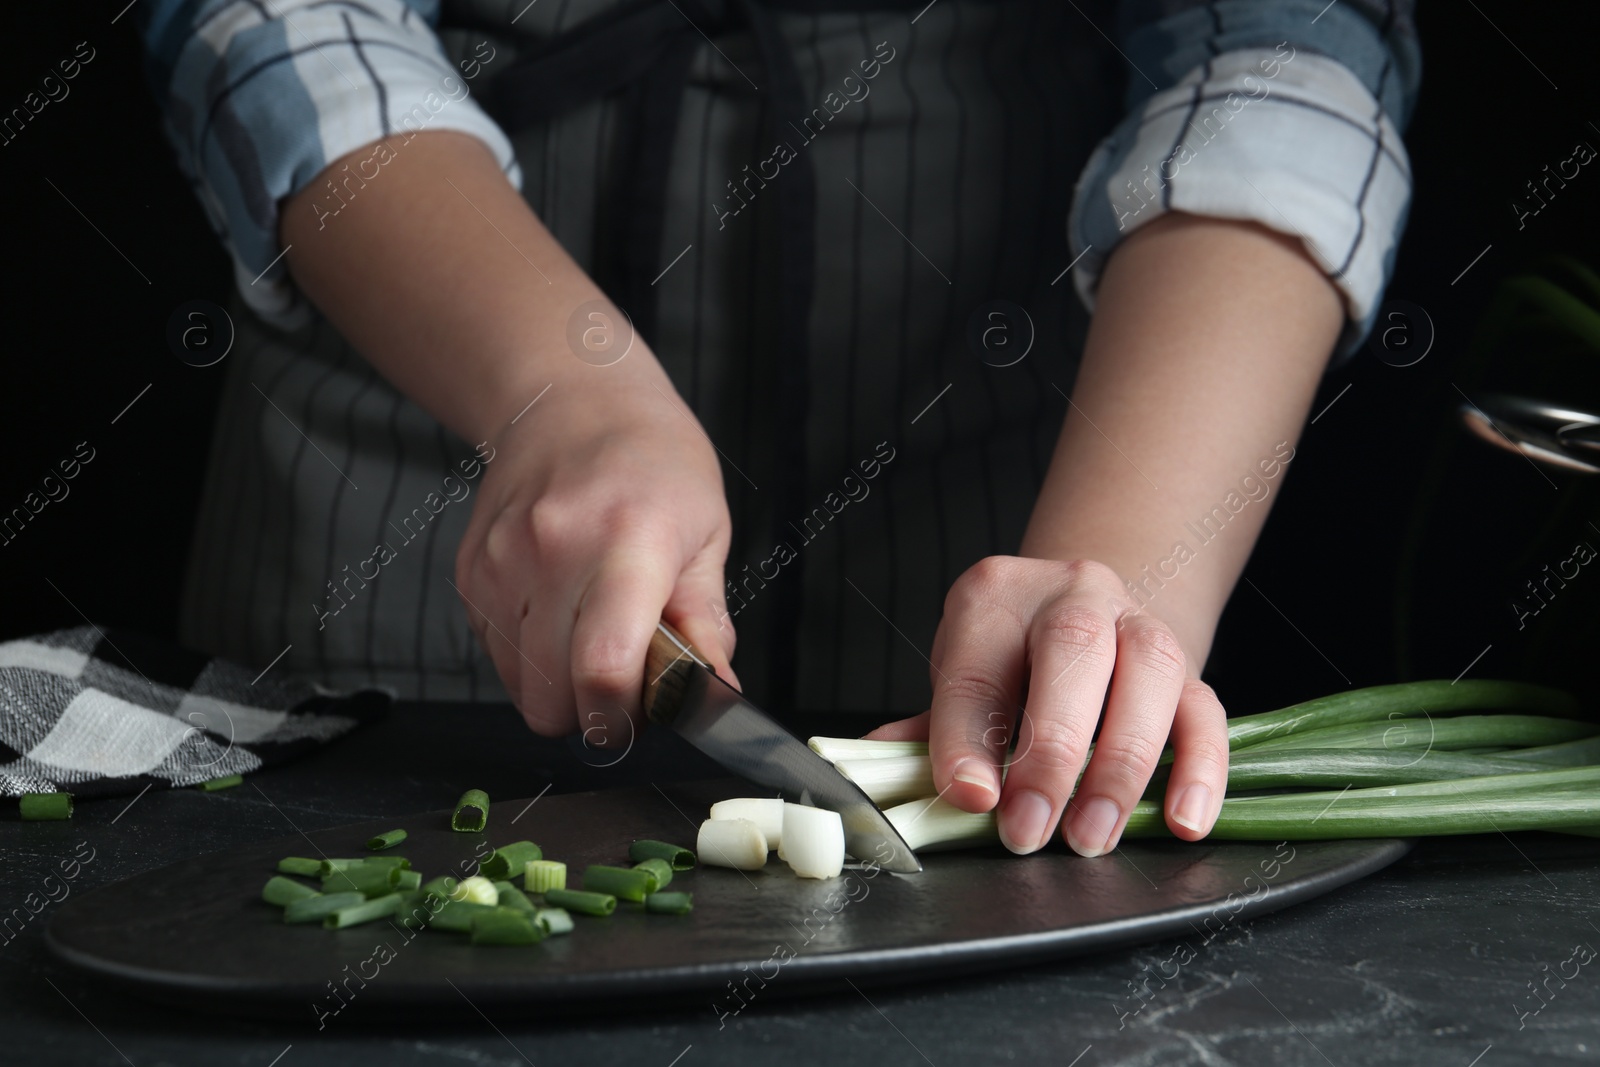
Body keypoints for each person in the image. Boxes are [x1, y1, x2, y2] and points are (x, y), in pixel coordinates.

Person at [138, 0, 1419, 858]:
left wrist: (1124, 582)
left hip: (1006, 404)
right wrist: (557, 395)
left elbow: (1286, 48)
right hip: (422, 393)